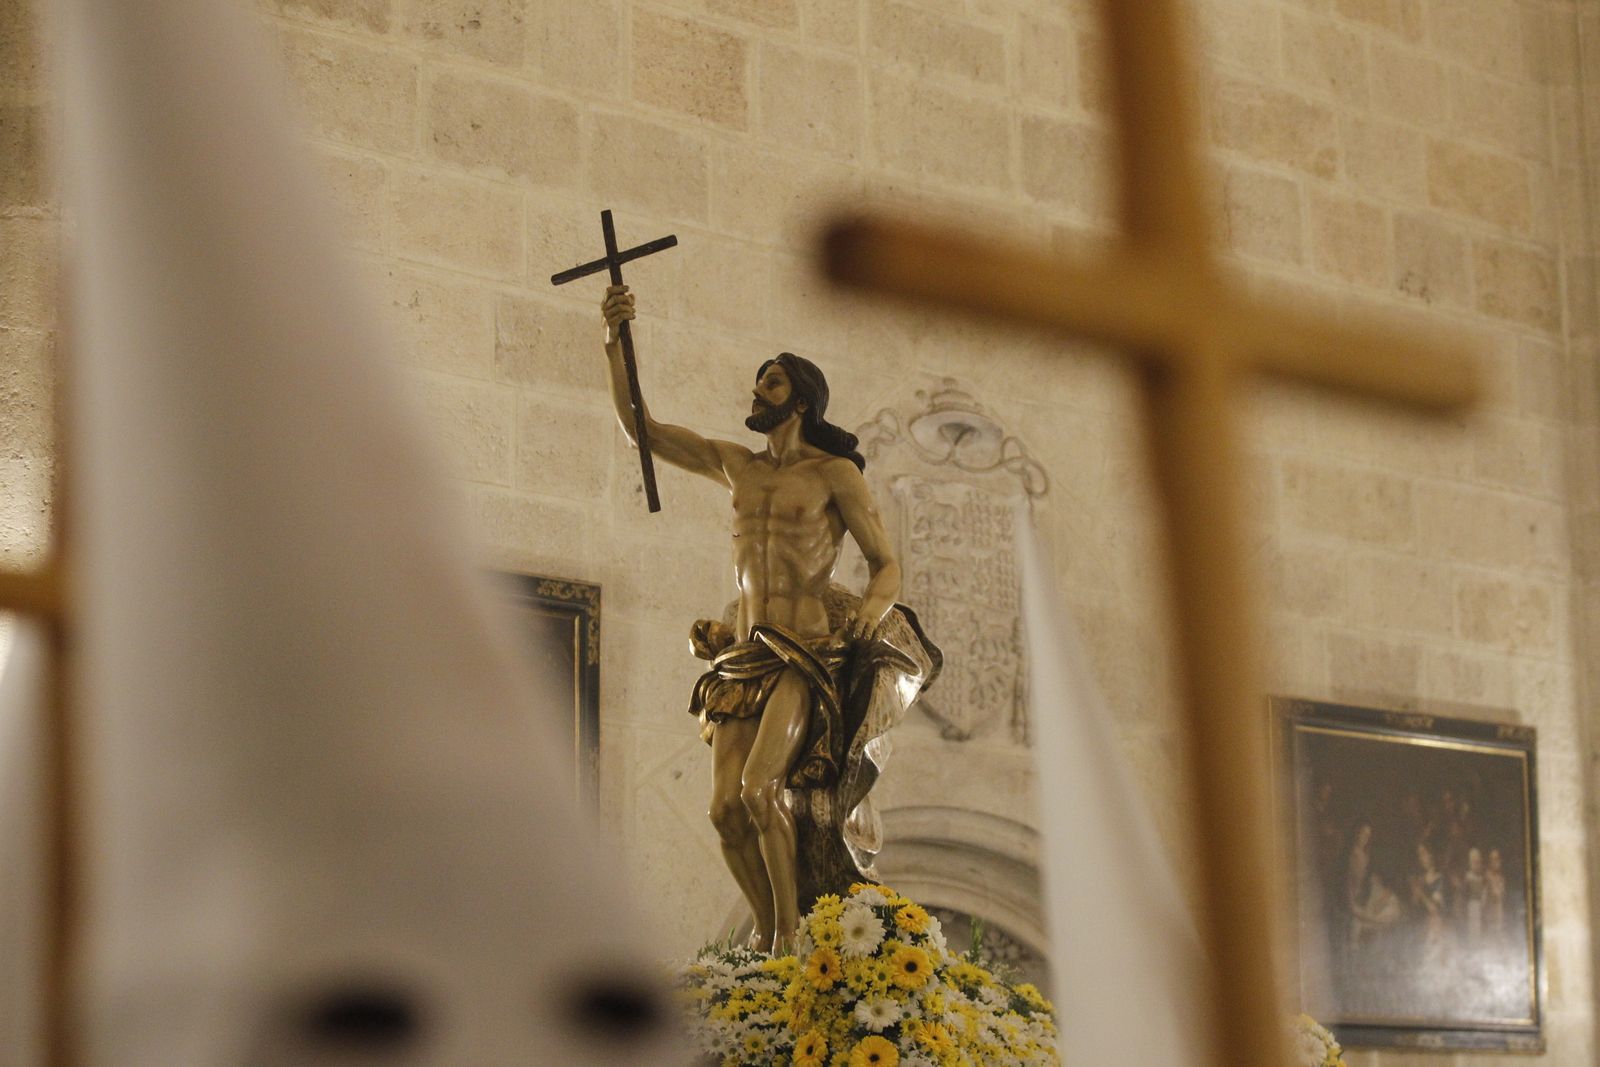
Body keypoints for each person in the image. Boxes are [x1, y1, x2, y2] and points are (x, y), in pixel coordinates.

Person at [599, 284, 908, 955]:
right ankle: (766, 927)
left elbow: (886, 564)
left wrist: (870, 615)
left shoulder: (834, 474)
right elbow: (642, 429)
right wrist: (615, 340)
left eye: (770, 381)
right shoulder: (735, 464)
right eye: (758, 380)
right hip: (742, 656)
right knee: (723, 810)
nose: (756, 389)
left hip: (804, 651)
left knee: (760, 789)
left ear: (800, 400)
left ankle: (789, 938)